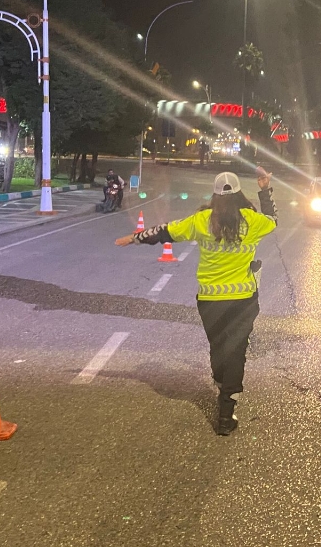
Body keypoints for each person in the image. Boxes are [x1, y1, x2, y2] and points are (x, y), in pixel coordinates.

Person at [116, 170, 276, 436]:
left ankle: (220, 381)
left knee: (218, 346)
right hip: (243, 299)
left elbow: (165, 232)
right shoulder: (252, 221)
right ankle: (227, 410)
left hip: (210, 300)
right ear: (238, 194)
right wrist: (264, 190)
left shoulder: (202, 220)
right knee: (236, 351)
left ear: (215, 195)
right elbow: (273, 220)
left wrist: (135, 237)